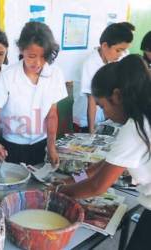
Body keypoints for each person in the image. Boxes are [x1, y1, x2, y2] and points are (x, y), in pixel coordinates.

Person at [55, 54, 151, 250]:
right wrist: (73, 180)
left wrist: (60, 192)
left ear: (116, 96)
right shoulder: (143, 114)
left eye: (102, 106)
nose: (104, 114)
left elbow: (98, 186)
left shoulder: (135, 128)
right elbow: (103, 165)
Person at [0, 21, 67, 166]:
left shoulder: (55, 73)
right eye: (31, 56)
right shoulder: (9, 76)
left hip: (41, 143)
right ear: (21, 50)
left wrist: (51, 145)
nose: (37, 63)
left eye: (43, 57)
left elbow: (52, 114)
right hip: (12, 146)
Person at [73, 22, 133, 133]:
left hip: (105, 117)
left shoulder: (117, 60)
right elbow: (91, 100)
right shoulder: (90, 64)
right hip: (86, 119)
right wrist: (91, 131)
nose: (121, 54)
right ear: (105, 46)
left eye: (123, 50)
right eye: (118, 50)